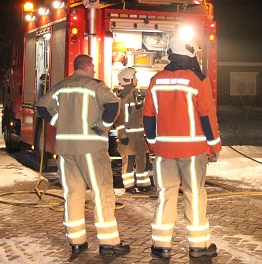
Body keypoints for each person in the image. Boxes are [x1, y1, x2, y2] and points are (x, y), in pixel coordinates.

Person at [36, 54, 131, 257]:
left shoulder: (62, 86)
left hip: (66, 151)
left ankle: (76, 242)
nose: (95, 70)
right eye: (93, 67)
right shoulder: (94, 85)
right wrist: (101, 126)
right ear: (87, 67)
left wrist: (57, 121)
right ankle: (109, 243)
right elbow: (113, 104)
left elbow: (42, 106)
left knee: (73, 195)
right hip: (90, 148)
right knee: (102, 193)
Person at [143, 35, 221, 259]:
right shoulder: (198, 79)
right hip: (193, 150)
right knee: (194, 195)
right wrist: (214, 145)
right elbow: (207, 115)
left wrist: (153, 144)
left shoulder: (156, 79)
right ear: (189, 52)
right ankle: (199, 246)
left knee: (165, 195)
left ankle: (161, 246)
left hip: (164, 151)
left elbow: (148, 115)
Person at [113, 67, 151, 193]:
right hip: (128, 137)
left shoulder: (135, 95)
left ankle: (143, 184)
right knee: (129, 162)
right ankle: (129, 186)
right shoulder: (122, 98)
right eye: (134, 78)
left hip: (138, 135)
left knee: (142, 159)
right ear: (128, 80)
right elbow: (119, 118)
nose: (137, 80)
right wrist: (122, 134)